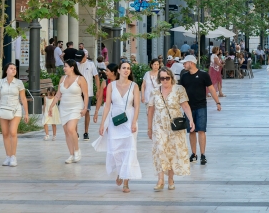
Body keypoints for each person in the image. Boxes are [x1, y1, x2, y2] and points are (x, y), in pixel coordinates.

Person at [147, 68, 195, 191]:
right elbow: (151, 110)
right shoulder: (155, 91)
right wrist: (149, 128)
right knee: (160, 151)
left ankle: (170, 179)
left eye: (167, 78)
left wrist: (191, 120)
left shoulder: (179, 89)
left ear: (171, 77)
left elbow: (185, 105)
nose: (165, 80)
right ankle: (160, 180)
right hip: (159, 126)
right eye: (162, 78)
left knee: (172, 152)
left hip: (175, 127)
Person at [97, 61, 142, 193]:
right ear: (119, 70)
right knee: (116, 149)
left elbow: (137, 106)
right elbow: (107, 106)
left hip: (129, 119)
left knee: (129, 149)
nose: (126, 70)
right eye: (124, 68)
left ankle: (126, 181)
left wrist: (134, 122)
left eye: (128, 68)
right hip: (115, 120)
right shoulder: (111, 86)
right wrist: (102, 124)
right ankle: (120, 171)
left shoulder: (134, 86)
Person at [179, 55, 221, 165]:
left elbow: (211, 88)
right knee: (191, 131)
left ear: (191, 63)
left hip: (201, 106)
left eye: (185, 63)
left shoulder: (203, 75)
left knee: (201, 130)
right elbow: (180, 91)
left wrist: (217, 102)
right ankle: (193, 154)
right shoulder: (184, 76)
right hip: (188, 107)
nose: (183, 65)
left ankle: (202, 154)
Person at [0, 63, 29, 167]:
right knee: (5, 133)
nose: (14, 70)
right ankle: (8, 156)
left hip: (15, 109)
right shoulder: (0, 82)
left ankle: (13, 156)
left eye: (15, 69)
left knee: (13, 132)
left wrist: (26, 113)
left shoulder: (19, 83)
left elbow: (23, 98)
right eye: (11, 68)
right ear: (6, 70)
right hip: (3, 109)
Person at [48, 59, 88, 164]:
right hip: (64, 107)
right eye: (64, 66)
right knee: (66, 132)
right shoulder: (62, 78)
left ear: (72, 67)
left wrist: (85, 108)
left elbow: (86, 95)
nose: (64, 68)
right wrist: (51, 107)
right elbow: (58, 95)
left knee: (71, 129)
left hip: (76, 107)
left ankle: (77, 150)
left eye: (65, 66)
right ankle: (71, 154)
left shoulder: (80, 79)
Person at [77, 51, 99, 141]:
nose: (79, 61)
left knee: (87, 111)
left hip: (88, 92)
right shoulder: (75, 64)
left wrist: (98, 90)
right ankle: (76, 132)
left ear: (85, 57)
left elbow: (96, 77)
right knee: (76, 111)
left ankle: (86, 132)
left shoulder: (91, 64)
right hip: (77, 92)